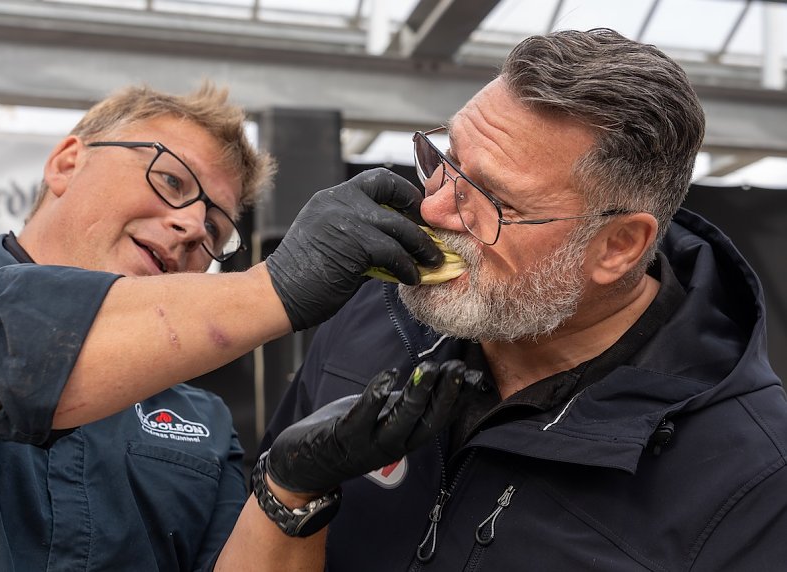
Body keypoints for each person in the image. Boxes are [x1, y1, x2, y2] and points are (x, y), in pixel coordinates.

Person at [233, 28, 787, 571]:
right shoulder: (370, 318)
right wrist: (289, 491)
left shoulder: (753, 479)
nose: (433, 212)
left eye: (494, 201)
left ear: (618, 246)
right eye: (446, 162)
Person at [0, 81, 451, 570]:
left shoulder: (203, 421)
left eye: (216, 231)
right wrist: (273, 288)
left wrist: (290, 493)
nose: (192, 226)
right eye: (172, 180)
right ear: (66, 163)